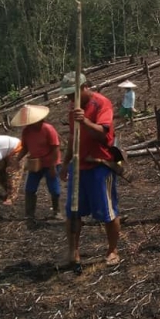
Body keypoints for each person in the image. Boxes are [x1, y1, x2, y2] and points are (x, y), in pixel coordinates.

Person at [59, 71, 120, 268]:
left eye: (73, 94)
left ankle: (112, 249)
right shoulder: (72, 109)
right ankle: (73, 251)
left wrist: (84, 120)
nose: (70, 99)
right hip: (79, 166)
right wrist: (66, 162)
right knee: (72, 212)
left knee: (108, 211)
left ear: (85, 88)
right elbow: (72, 138)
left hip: (99, 165)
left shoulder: (101, 103)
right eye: (68, 95)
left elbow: (103, 135)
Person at [12, 104, 62, 221]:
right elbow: (25, 147)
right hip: (36, 163)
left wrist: (53, 166)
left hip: (50, 163)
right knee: (30, 188)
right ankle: (29, 214)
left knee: (54, 188)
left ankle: (57, 211)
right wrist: (17, 159)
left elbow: (55, 148)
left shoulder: (48, 129)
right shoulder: (27, 131)